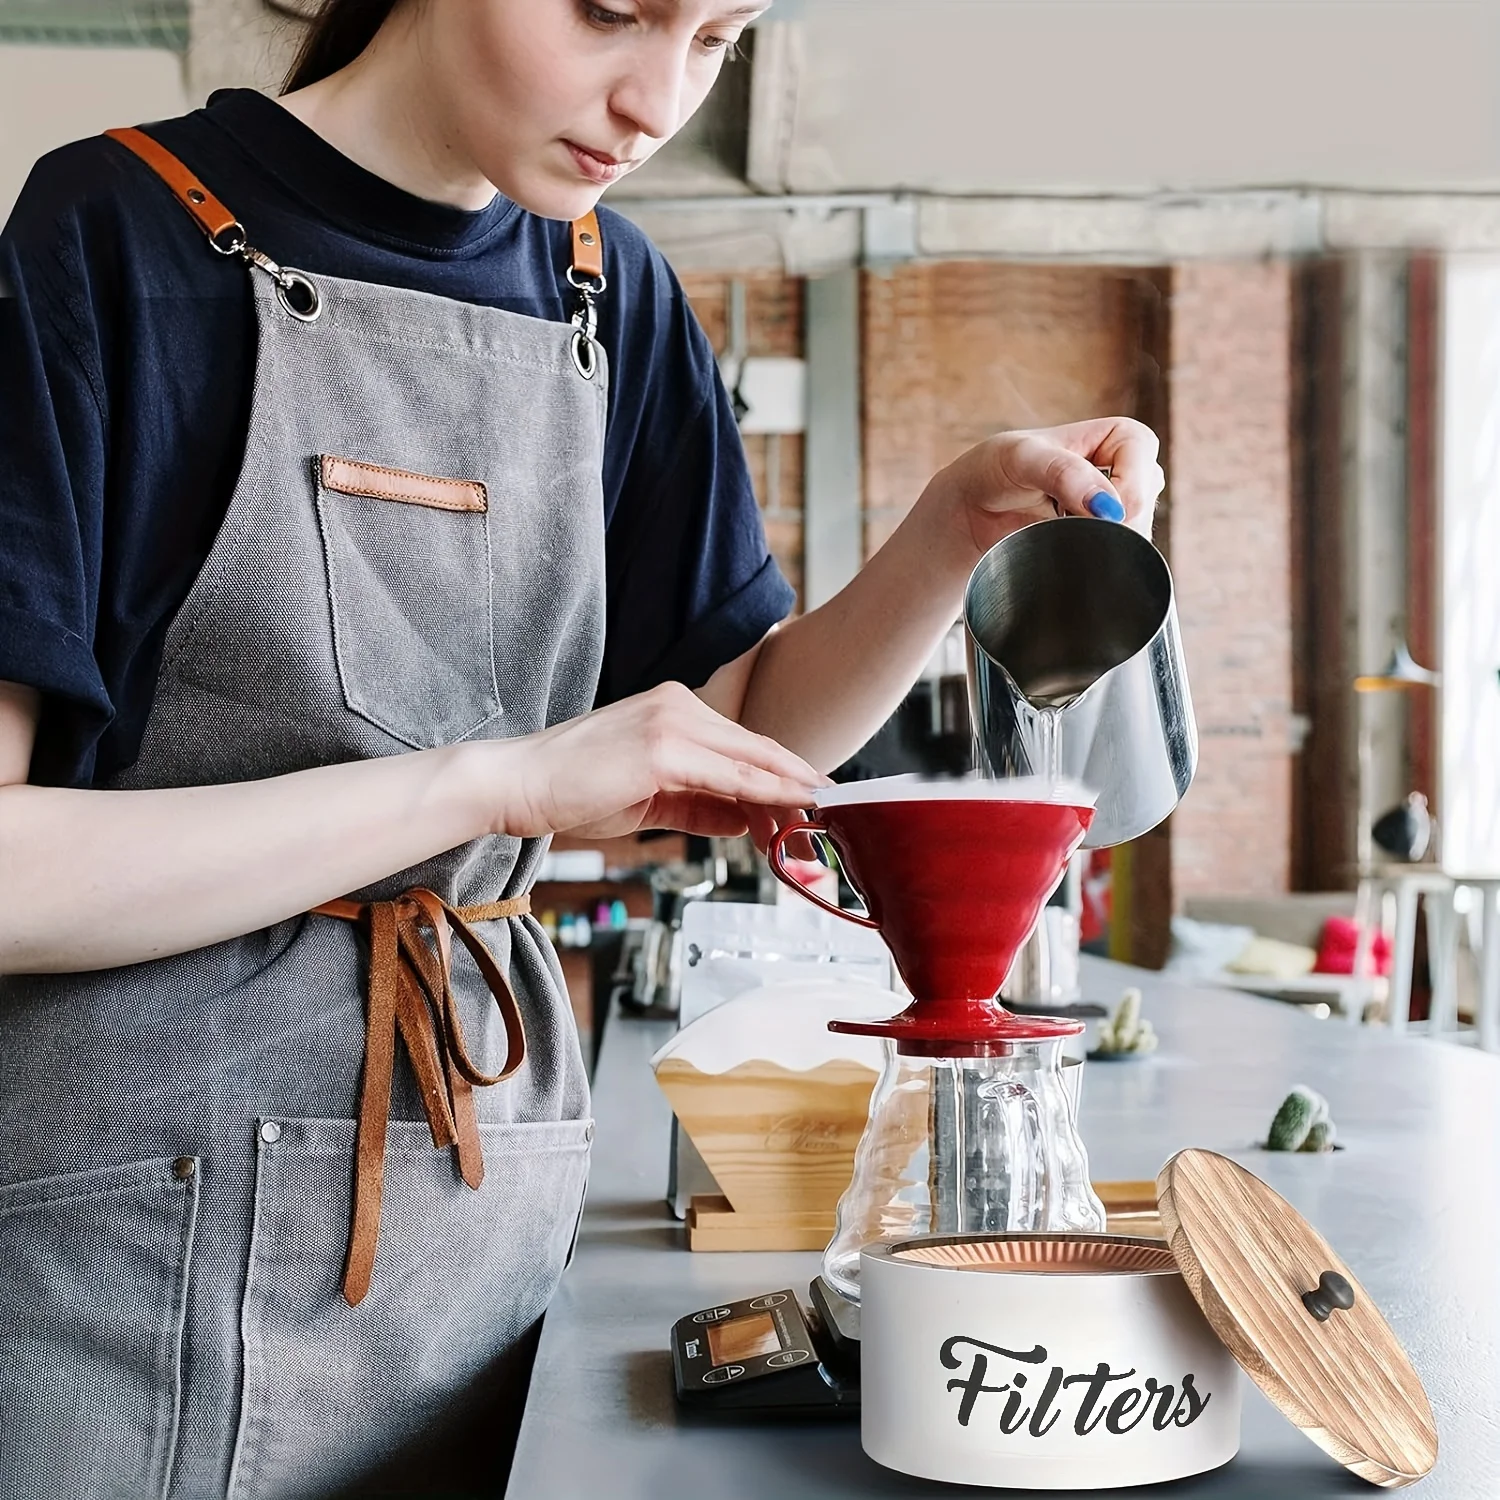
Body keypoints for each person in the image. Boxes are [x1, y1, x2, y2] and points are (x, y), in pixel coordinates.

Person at [0, 1, 1164, 1495]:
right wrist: (502, 782)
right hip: (132, 1251)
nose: (658, 96)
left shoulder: (616, 298)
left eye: (718, 37)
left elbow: (739, 742)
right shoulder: (113, 239)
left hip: (478, 1231)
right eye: (614, 10)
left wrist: (950, 536)